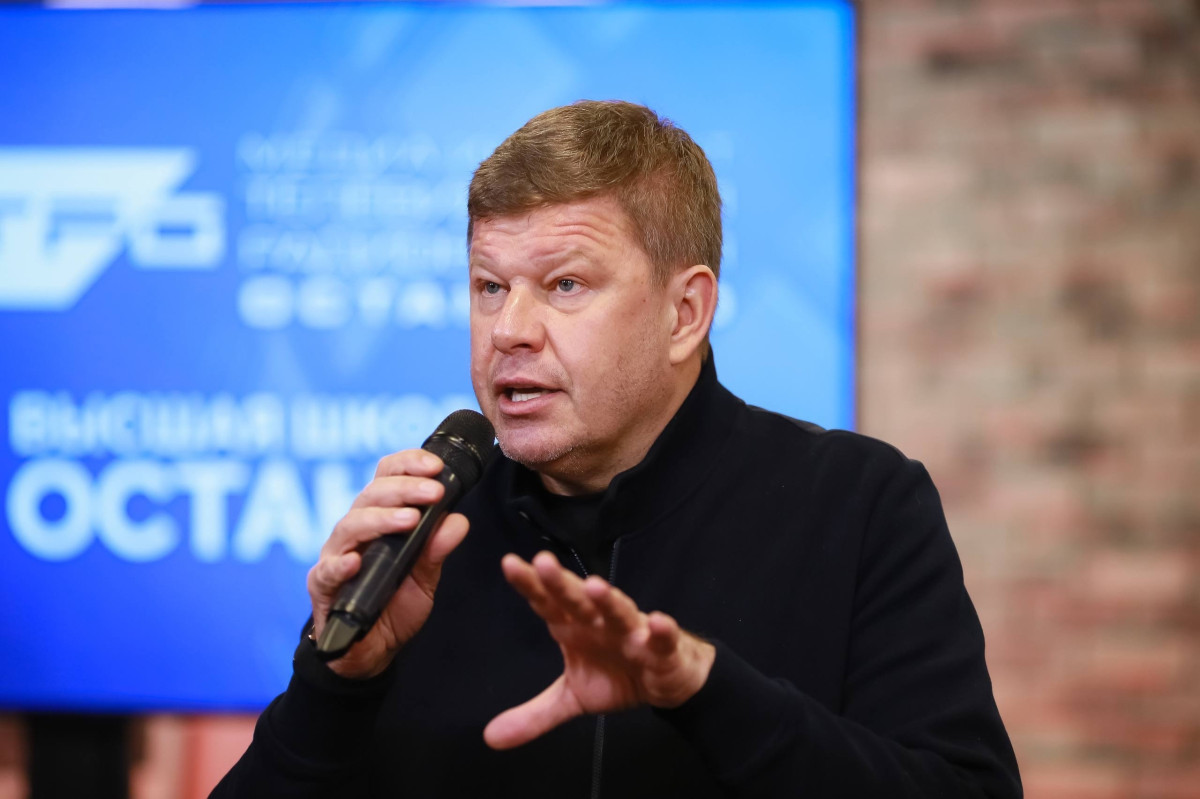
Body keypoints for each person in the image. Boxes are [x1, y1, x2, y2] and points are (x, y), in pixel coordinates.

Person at [213, 101, 1021, 798]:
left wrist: (705, 690)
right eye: (490, 286)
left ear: (684, 313)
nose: (509, 330)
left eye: (564, 284)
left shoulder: (859, 503)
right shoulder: (427, 540)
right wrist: (337, 680)